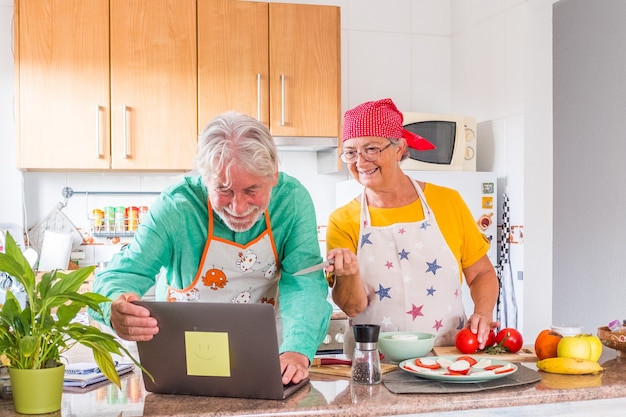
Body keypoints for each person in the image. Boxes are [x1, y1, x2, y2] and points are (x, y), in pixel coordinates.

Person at [90, 111, 332, 385]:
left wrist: (297, 350)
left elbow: (304, 282)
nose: (238, 207)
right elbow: (123, 273)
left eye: (252, 190)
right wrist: (114, 306)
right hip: (183, 359)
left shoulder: (292, 200)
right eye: (224, 190)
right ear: (205, 179)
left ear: (273, 175)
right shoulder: (176, 206)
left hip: (267, 359)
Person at [325, 98, 499, 354]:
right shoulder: (342, 220)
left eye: (371, 149)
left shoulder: (448, 202)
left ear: (399, 149)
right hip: (375, 364)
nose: (360, 162)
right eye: (351, 152)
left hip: (446, 358)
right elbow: (352, 308)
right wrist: (348, 273)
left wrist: (483, 312)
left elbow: (481, 273)